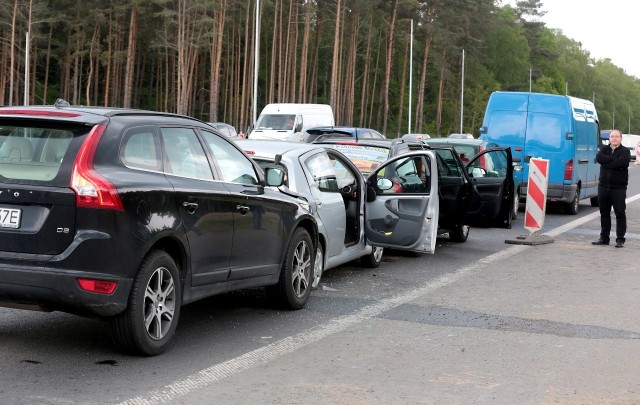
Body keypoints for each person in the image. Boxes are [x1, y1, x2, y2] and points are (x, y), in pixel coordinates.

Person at [592, 129, 630, 248]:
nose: (614, 138)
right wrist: (614, 162)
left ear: (621, 138)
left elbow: (622, 163)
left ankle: (620, 239)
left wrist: (607, 163)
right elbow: (598, 158)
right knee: (604, 213)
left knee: (620, 213)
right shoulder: (604, 149)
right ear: (609, 138)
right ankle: (604, 238)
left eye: (616, 136)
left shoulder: (625, 151)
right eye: (612, 136)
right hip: (603, 186)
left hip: (618, 188)